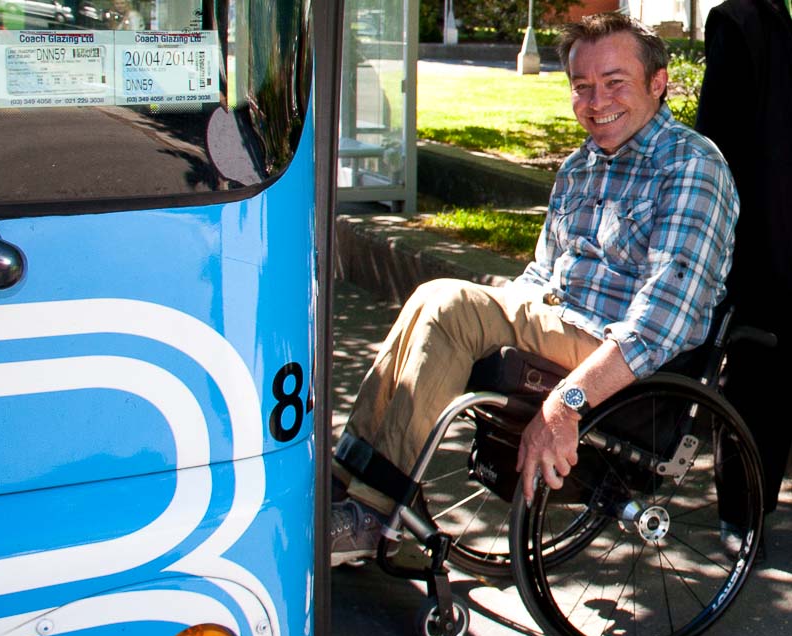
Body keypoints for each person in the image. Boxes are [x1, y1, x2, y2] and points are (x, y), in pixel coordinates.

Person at [330, 12, 740, 567]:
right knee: (433, 300)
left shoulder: (690, 166)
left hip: (618, 350)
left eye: (615, 83)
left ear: (657, 82)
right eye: (582, 87)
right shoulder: (579, 166)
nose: (597, 102)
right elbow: (540, 276)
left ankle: (375, 513)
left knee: (451, 306)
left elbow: (661, 324)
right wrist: (501, 308)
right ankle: (345, 479)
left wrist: (569, 400)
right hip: (558, 319)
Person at [695, 0, 792, 535]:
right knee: (773, 369)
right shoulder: (765, 25)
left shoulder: (736, 23)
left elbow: (716, 137)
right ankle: (757, 502)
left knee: (752, 367)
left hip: (753, 233)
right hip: (776, 232)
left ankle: (743, 507)